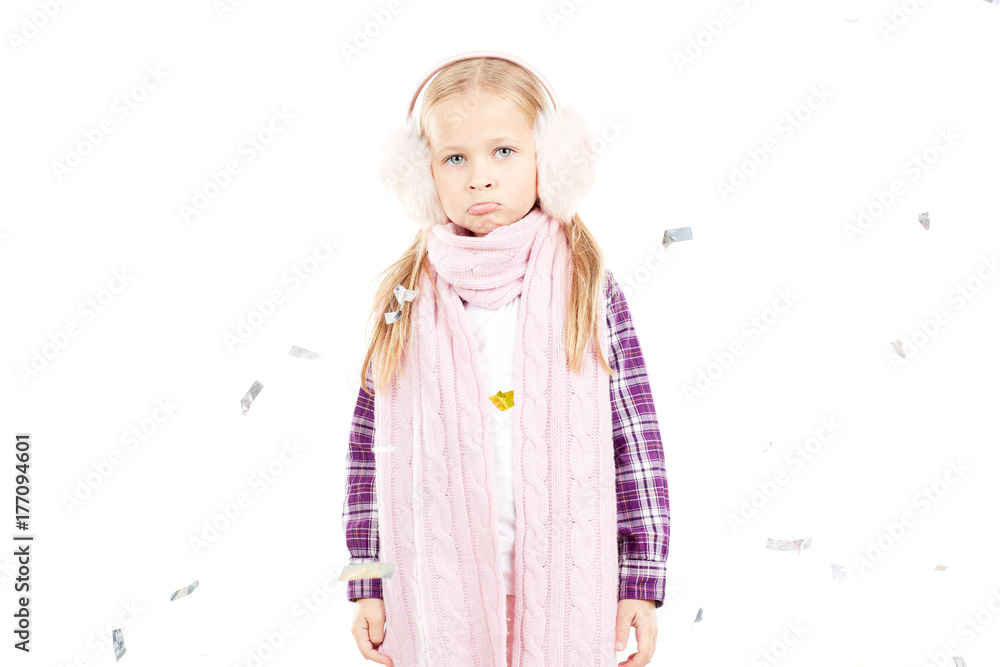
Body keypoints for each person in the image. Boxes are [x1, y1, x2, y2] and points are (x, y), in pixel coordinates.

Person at [343, 51, 670, 667]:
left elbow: (636, 439)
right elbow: (370, 452)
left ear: (550, 162)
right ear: (424, 175)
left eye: (504, 152)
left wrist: (642, 580)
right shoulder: (406, 300)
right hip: (439, 586)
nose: (480, 178)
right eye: (455, 158)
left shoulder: (586, 287)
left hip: (568, 581)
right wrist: (368, 579)